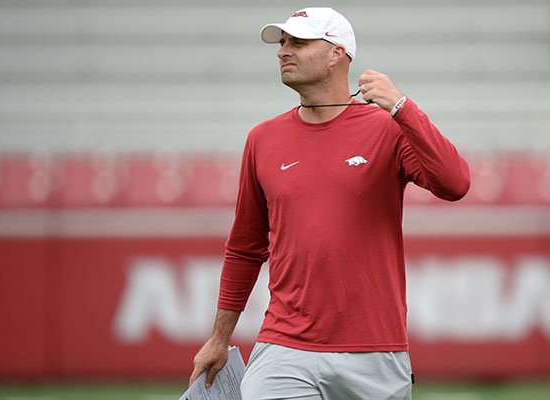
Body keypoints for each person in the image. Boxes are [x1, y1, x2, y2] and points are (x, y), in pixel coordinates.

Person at [189, 7, 470, 400]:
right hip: (284, 347)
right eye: (283, 43)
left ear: (338, 53)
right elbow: (244, 248)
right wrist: (219, 339)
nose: (284, 51)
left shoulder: (387, 128)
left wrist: (403, 107)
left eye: (299, 43)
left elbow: (455, 183)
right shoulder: (262, 139)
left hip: (375, 352)